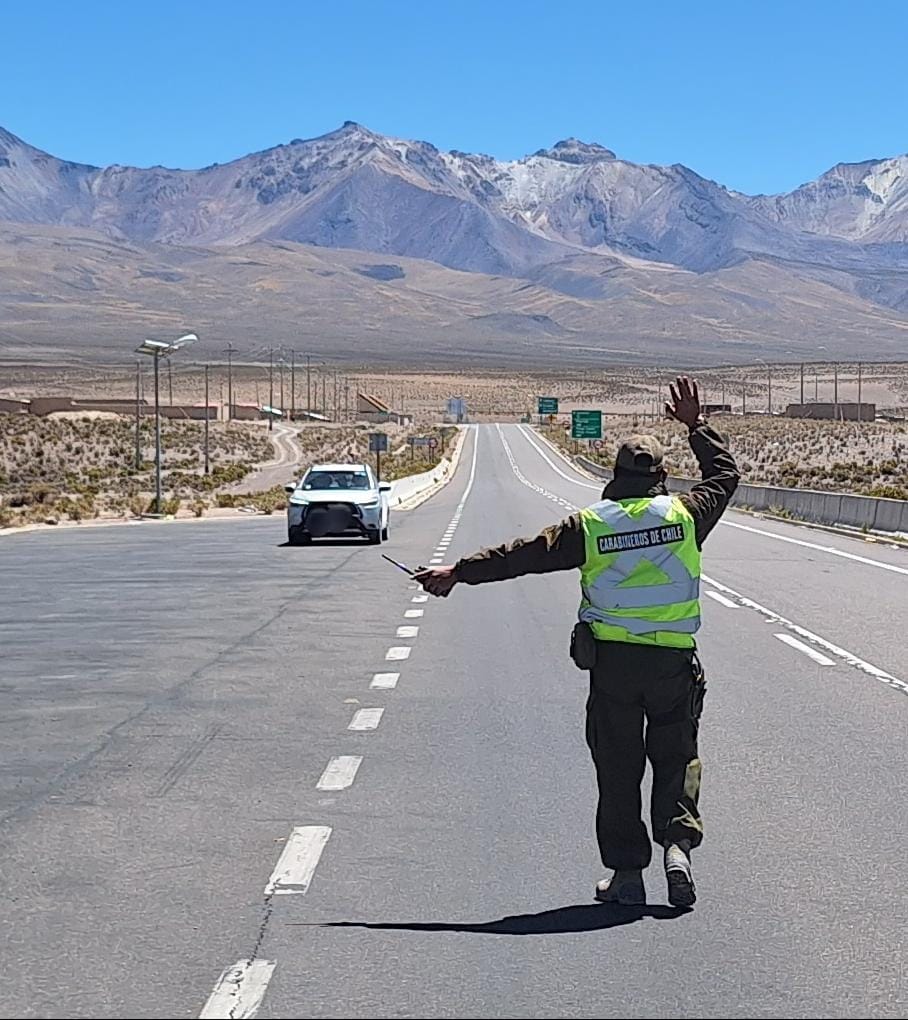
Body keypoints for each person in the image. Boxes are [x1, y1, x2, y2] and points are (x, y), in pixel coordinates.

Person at [416, 377, 739, 908]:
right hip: (673, 665)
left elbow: (523, 555)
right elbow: (725, 476)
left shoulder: (590, 526)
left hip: (613, 667)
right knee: (677, 758)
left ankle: (627, 875)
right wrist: (695, 426)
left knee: (618, 768)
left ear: (615, 477)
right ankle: (677, 848)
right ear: (661, 478)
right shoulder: (685, 515)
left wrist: (459, 572)